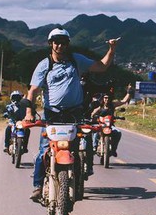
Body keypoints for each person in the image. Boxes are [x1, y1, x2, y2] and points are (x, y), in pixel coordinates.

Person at [23, 28, 118, 201]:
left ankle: (77, 181)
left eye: (63, 42)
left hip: (74, 113)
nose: (60, 45)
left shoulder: (76, 60)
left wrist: (111, 49)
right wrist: (29, 112)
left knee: (73, 150)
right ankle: (38, 186)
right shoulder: (44, 65)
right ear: (51, 44)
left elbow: (101, 66)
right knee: (44, 151)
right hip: (51, 114)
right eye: (56, 42)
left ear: (68, 44)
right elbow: (33, 91)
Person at [91, 90, 130, 157]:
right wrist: (92, 116)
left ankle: (114, 149)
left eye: (108, 98)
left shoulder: (113, 105)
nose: (107, 99)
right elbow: (93, 113)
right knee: (95, 133)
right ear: (103, 98)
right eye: (105, 98)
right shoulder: (100, 106)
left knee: (118, 133)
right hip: (101, 125)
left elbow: (124, 101)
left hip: (110, 126)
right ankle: (94, 147)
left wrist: (129, 92)